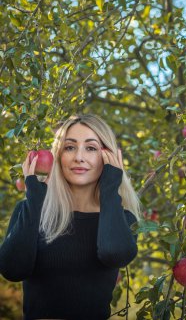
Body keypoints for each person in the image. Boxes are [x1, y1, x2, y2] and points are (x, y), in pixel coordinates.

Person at [0, 114, 142, 320]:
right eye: (69, 147)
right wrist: (35, 198)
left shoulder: (123, 219)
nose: (79, 157)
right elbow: (13, 269)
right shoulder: (31, 210)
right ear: (58, 156)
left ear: (108, 157)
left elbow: (115, 253)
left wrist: (110, 187)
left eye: (91, 148)